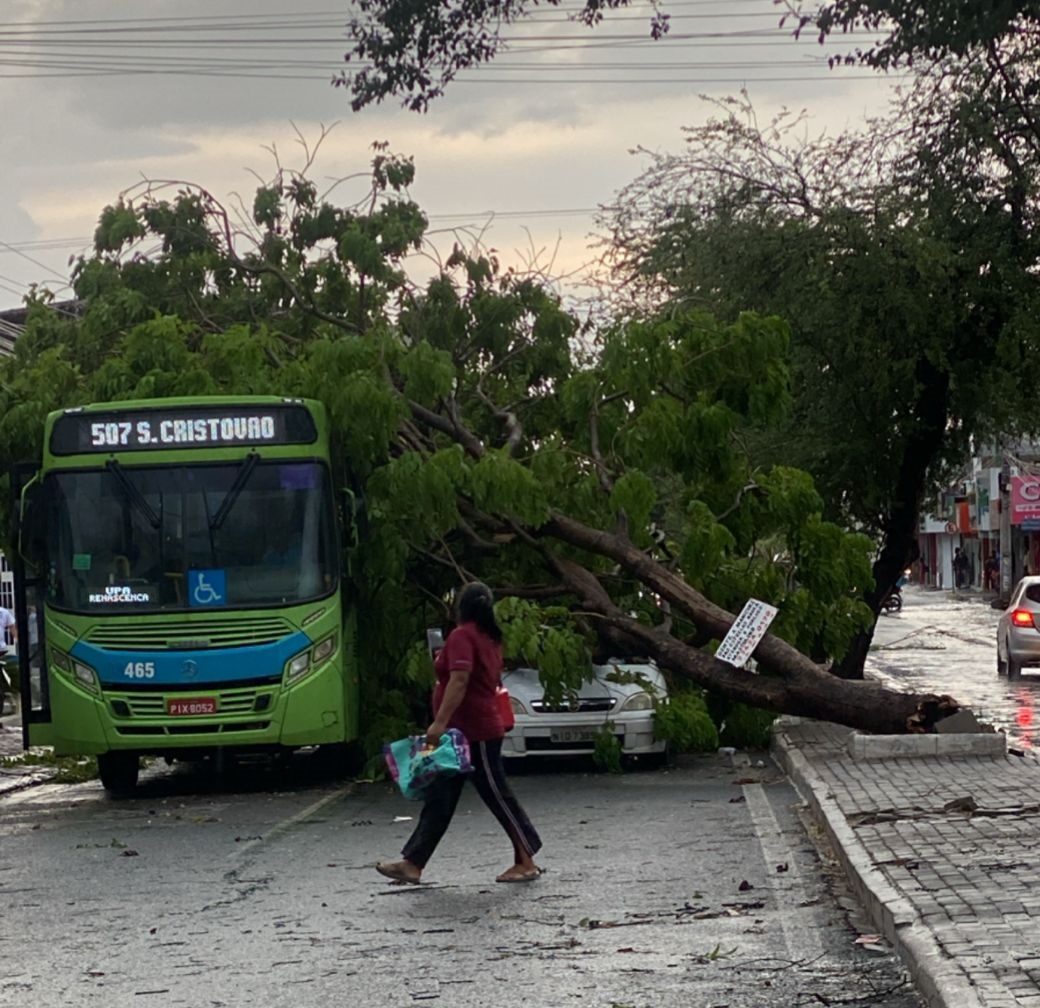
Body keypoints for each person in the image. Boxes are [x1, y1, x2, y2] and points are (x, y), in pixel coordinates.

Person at [376, 582, 542, 885]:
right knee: (441, 797)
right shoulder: (489, 637)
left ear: (461, 607)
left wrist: (438, 723)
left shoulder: (463, 636)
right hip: (463, 733)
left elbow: (460, 680)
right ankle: (413, 863)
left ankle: (526, 860)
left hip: (474, 732)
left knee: (496, 794)